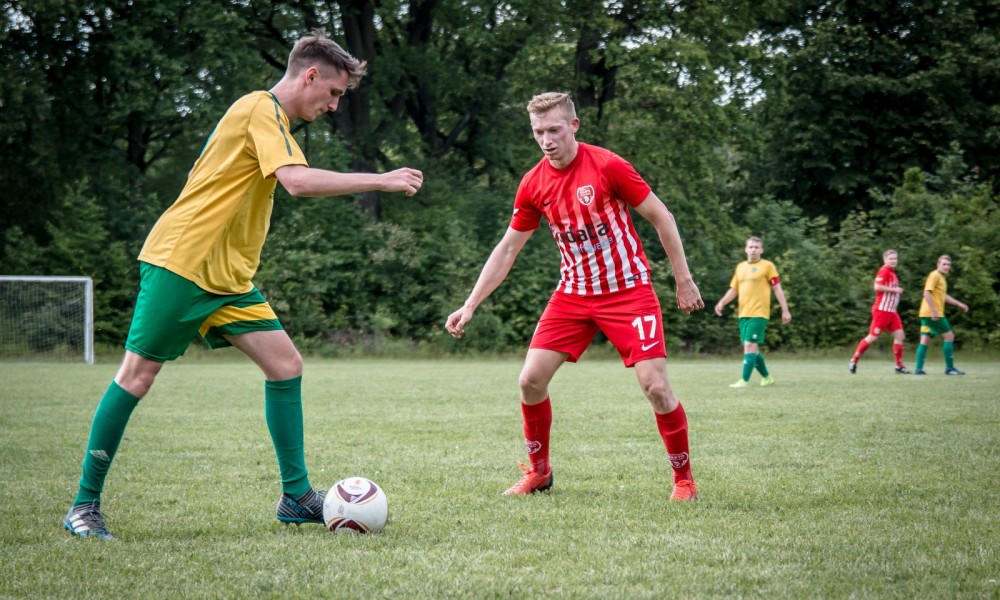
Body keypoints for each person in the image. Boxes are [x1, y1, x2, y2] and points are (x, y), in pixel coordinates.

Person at [62, 30, 423, 540]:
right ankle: (83, 505)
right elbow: (296, 182)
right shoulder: (259, 107)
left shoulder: (275, 122)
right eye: (335, 93)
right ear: (311, 75)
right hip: (184, 262)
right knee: (136, 377)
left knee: (285, 364)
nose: (335, 104)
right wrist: (380, 179)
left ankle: (296, 497)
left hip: (229, 277)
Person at [445, 92, 704, 501]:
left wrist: (683, 279)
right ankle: (539, 472)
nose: (546, 140)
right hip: (574, 295)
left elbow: (662, 217)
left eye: (553, 129)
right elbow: (508, 248)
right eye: (538, 132)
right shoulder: (533, 183)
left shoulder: (608, 165)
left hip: (629, 291)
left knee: (655, 387)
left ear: (574, 126)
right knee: (530, 381)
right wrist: (470, 303)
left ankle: (684, 480)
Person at [713, 237, 791, 387]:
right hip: (743, 314)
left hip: (759, 313)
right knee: (752, 349)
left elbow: (777, 288)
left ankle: (744, 380)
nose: (753, 249)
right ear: (746, 249)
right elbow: (734, 289)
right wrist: (722, 302)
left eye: (756, 247)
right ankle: (767, 378)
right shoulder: (740, 267)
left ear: (761, 250)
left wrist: (785, 310)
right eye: (751, 247)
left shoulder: (768, 266)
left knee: (749, 345)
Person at [848, 249, 910, 374]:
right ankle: (853, 360)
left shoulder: (892, 273)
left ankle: (899, 366)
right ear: (885, 260)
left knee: (900, 336)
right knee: (872, 337)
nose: (893, 261)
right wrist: (895, 290)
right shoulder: (884, 271)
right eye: (891, 258)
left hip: (891, 312)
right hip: (882, 311)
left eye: (895, 258)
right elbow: (877, 287)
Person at [914, 255, 969, 375]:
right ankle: (949, 369)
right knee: (949, 337)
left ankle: (918, 370)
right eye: (944, 264)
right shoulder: (935, 275)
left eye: (948, 265)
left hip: (925, 313)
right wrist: (934, 311)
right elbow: (926, 293)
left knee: (925, 340)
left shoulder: (941, 278)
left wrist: (958, 303)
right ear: (938, 264)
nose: (946, 267)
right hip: (932, 313)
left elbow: (943, 296)